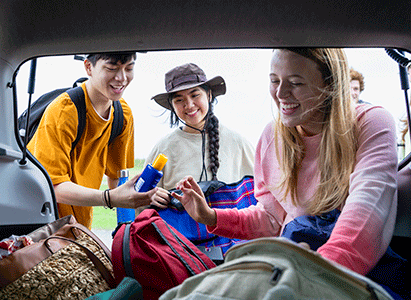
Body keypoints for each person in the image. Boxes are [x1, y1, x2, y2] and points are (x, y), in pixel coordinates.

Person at [173, 49, 398, 279]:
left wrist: (314, 277)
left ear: (330, 85)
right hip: (296, 263)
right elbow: (272, 220)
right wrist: (211, 216)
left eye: (296, 83)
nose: (280, 93)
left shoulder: (370, 123)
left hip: (349, 276)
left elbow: (366, 211)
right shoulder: (272, 137)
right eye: (274, 81)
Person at [28, 52, 157, 229]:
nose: (121, 78)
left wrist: (146, 195)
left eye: (129, 68)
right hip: (42, 227)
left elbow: (117, 179)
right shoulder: (64, 111)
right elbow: (53, 186)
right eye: (111, 68)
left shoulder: (122, 114)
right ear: (89, 67)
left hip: (79, 227)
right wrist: (108, 198)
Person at [146, 63, 255, 208]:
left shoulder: (238, 143)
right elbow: (139, 201)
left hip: (230, 230)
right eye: (179, 99)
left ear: (209, 95)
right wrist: (150, 198)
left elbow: (261, 195)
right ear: (172, 105)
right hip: (177, 231)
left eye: (195, 95)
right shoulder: (163, 148)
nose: (189, 105)